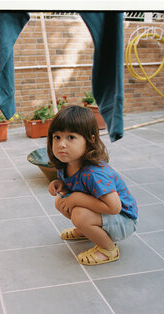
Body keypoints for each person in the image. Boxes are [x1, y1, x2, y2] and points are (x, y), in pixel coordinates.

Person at [47, 105, 138, 265]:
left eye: (71, 137)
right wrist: (61, 185)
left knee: (79, 214)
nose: (61, 144)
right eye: (57, 137)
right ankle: (86, 230)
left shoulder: (95, 173)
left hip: (123, 220)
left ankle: (109, 249)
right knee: (61, 202)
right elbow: (77, 187)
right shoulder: (66, 164)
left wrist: (76, 198)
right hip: (108, 215)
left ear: (90, 140)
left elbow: (114, 207)